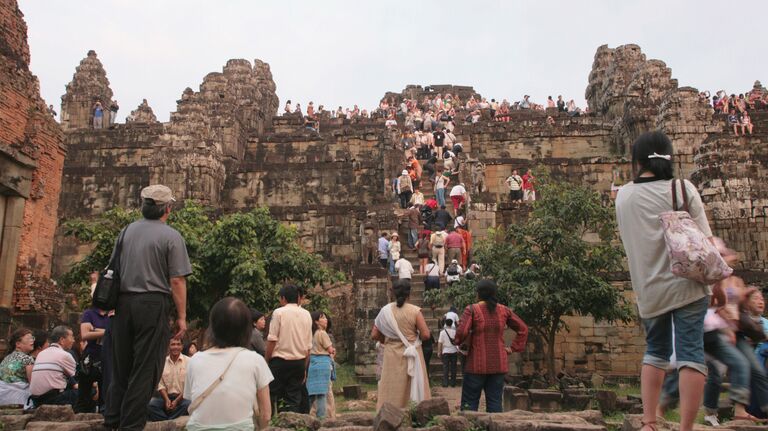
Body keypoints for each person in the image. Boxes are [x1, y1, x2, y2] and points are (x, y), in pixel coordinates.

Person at [615, 131, 713, 431]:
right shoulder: (683, 189)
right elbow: (707, 242)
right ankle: (685, 427)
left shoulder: (624, 195)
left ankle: (648, 422)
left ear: (637, 159)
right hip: (690, 283)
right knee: (691, 353)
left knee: (655, 351)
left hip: (650, 287)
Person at [105, 184, 192, 431]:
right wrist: (182, 317)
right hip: (152, 303)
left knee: (122, 367)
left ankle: (112, 420)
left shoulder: (126, 232)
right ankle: (130, 426)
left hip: (122, 303)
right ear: (168, 209)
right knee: (146, 369)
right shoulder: (171, 236)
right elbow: (177, 279)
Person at [185, 297, 273, 430]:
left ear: (213, 326)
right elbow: (266, 415)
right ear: (246, 328)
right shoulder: (255, 360)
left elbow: (193, 400)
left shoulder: (195, 360)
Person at [455, 280, 528, 412]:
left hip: (476, 365)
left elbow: (461, 332)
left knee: (469, 405)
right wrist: (512, 348)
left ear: (478, 294)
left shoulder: (472, 309)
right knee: (495, 404)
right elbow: (523, 329)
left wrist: (458, 342)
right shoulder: (503, 310)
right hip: (498, 365)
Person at [371, 281, 431, 409]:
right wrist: (414, 338)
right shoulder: (415, 311)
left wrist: (386, 339)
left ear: (392, 293)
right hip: (412, 352)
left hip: (391, 352)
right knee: (412, 385)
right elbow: (426, 335)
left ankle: (388, 413)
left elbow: (374, 334)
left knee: (391, 385)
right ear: (410, 293)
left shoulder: (385, 311)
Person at [266, 285, 312, 414]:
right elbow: (308, 346)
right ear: (298, 298)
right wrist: (304, 367)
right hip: (299, 362)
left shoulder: (279, 312)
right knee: (293, 398)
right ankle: (292, 425)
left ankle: (271, 422)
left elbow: (272, 340)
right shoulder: (306, 314)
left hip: (280, 362)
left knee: (271, 393)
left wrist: (266, 359)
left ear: (283, 298)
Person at [30, 326, 77, 407]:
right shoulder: (65, 355)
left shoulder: (41, 353)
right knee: (90, 391)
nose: (73, 340)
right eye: (71, 336)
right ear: (62, 340)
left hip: (36, 399)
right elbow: (76, 378)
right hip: (53, 399)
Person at [148, 338, 190, 421]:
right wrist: (167, 400)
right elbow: (160, 384)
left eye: (178, 344)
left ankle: (167, 422)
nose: (175, 347)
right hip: (164, 397)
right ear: (168, 346)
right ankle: (170, 421)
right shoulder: (162, 362)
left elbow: (189, 385)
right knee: (150, 404)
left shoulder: (189, 361)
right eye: (173, 344)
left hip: (182, 397)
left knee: (188, 404)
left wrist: (176, 401)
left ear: (182, 347)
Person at [76, 306, 108, 413]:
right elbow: (85, 334)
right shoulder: (89, 313)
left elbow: (120, 332)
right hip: (90, 359)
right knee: (84, 395)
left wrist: (95, 330)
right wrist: (108, 331)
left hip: (108, 359)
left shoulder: (114, 314)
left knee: (106, 397)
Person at [306, 311, 335, 419]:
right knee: (322, 393)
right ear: (316, 322)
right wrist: (333, 351)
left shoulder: (312, 334)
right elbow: (330, 349)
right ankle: (322, 418)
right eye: (322, 318)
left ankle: (311, 415)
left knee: (313, 393)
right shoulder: (322, 333)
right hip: (323, 364)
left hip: (313, 364)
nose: (326, 319)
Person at [0, 328, 35, 407]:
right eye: (28, 338)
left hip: (2, 397)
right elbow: (32, 382)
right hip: (18, 398)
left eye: (32, 338)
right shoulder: (27, 359)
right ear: (18, 344)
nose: (32, 341)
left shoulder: (6, 358)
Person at [437, 318, 459, 387]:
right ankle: (453, 383)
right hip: (454, 351)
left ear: (446, 323)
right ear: (452, 323)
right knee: (453, 368)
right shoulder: (455, 332)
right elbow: (458, 341)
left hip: (445, 351)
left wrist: (439, 352)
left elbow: (440, 343)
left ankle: (445, 383)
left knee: (445, 368)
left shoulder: (442, 332)